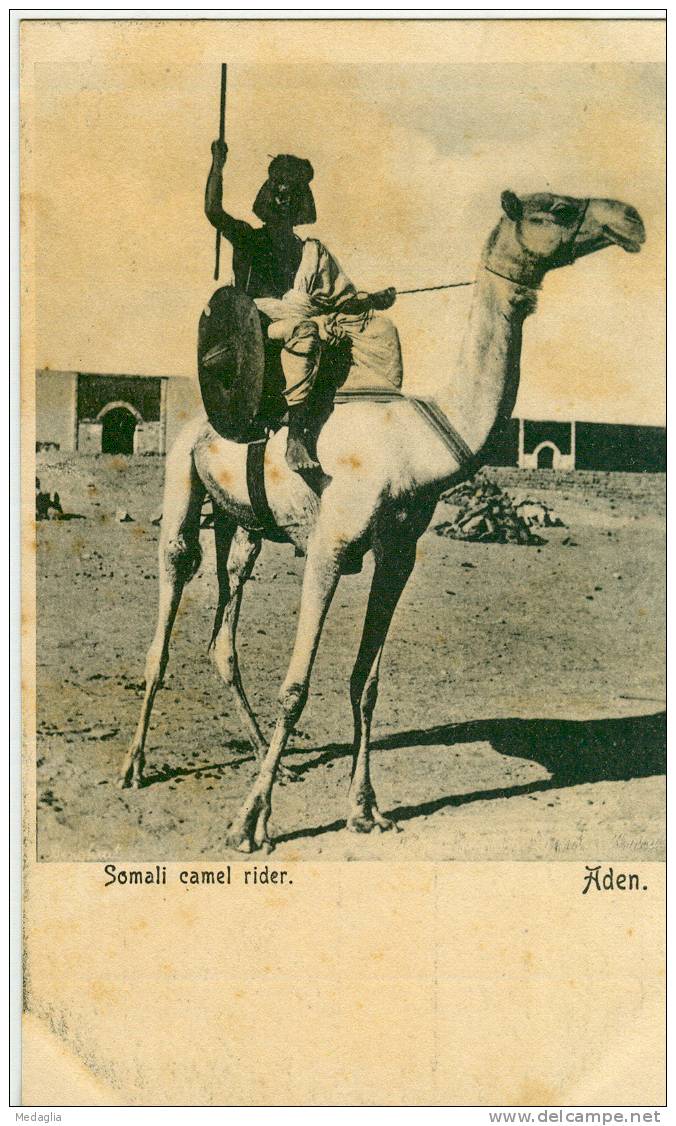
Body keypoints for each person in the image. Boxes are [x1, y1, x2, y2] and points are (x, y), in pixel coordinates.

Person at [205, 140, 402, 471]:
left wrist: (373, 300)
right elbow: (213, 211)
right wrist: (217, 164)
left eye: (292, 195)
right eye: (279, 193)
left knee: (383, 330)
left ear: (300, 203)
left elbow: (341, 299)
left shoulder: (312, 251)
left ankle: (377, 413)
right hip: (260, 325)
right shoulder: (248, 237)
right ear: (268, 197)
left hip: (308, 316)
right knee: (305, 331)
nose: (284, 201)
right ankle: (296, 438)